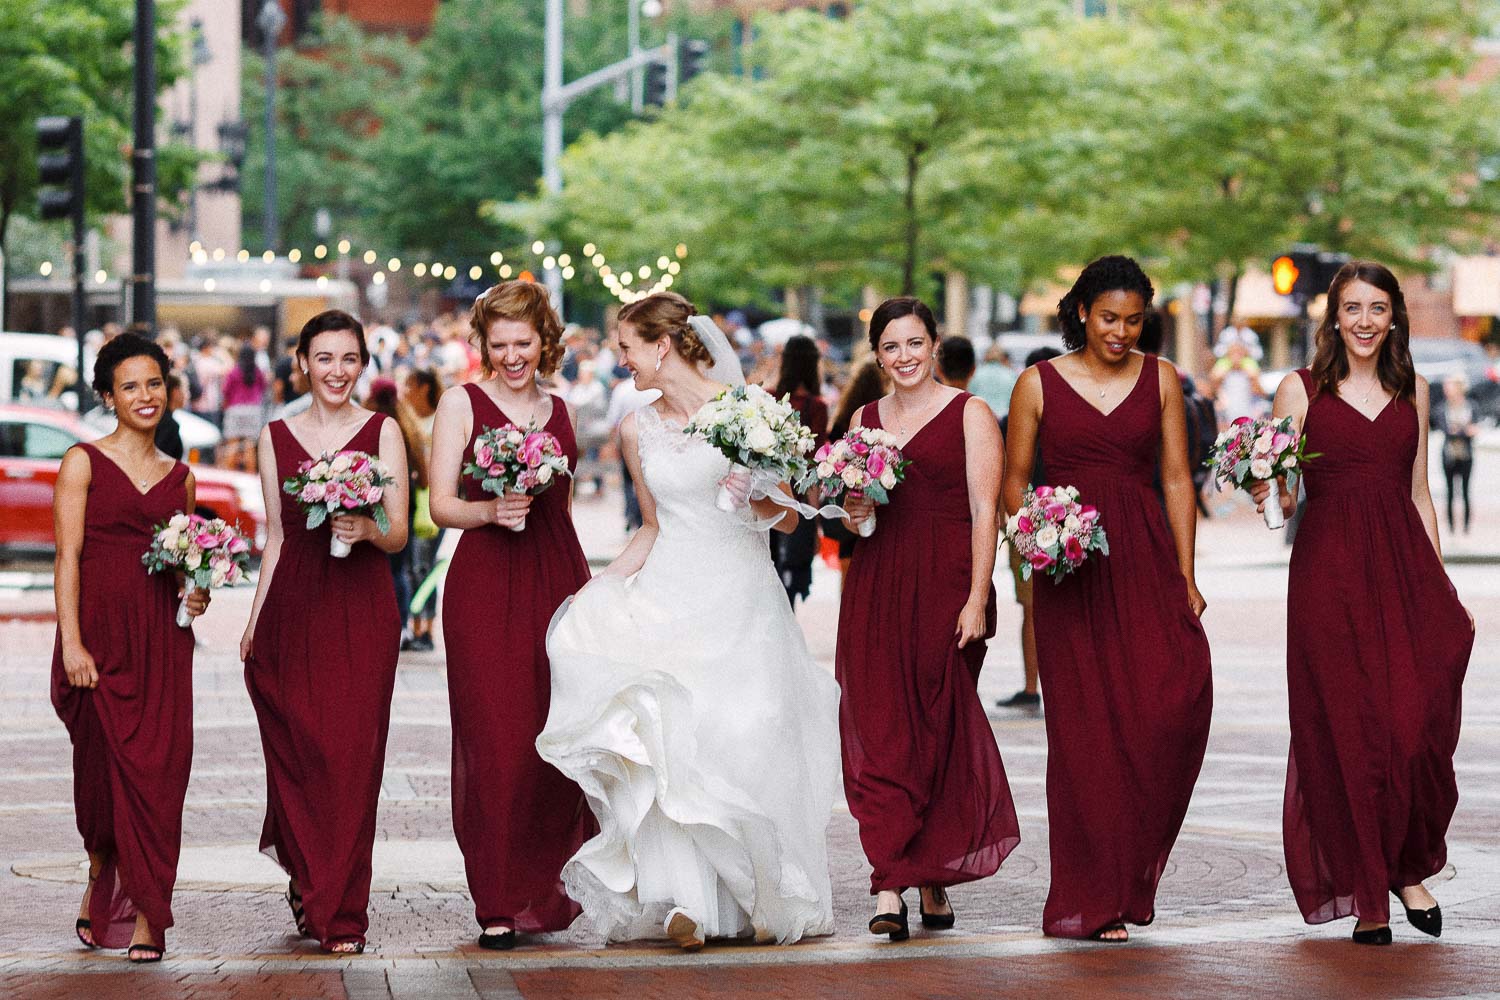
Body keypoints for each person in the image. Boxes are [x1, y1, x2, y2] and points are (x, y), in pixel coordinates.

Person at [537, 292, 840, 950]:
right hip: (672, 591)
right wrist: (597, 587)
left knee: (746, 733)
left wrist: (758, 493)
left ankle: (761, 890)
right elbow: (650, 526)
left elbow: (787, 519)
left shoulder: (750, 413)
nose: (621, 361)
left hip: (741, 595)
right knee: (674, 740)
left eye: (626, 347)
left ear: (662, 346)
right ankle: (686, 901)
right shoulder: (634, 428)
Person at [1252, 261, 1474, 946]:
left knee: (1412, 726)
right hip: (1327, 573)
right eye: (1353, 308)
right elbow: (1283, 494)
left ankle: (1407, 864)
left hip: (1405, 568)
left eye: (1378, 308)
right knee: (1346, 730)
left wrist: (1442, 583)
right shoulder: (1300, 389)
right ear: (1334, 317)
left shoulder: (1418, 389)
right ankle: (1371, 890)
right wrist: (1267, 489)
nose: (1366, 321)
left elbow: (1420, 493)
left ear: (1395, 316)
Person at [1003, 256, 1212, 942]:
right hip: (1070, 576)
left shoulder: (1161, 380)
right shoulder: (1036, 384)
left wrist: (1186, 573)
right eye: (1108, 318)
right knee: (1086, 736)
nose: (1120, 331)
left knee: (1168, 707)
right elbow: (1013, 480)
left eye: (1133, 319)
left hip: (1145, 559)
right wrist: (1038, 534)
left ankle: (1128, 872)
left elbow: (1177, 480)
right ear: (1082, 313)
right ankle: (1094, 897)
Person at [837, 298, 1019, 942]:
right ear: (877, 355)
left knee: (934, 733)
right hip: (879, 583)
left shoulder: (970, 414)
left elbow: (983, 512)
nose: (905, 358)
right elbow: (855, 517)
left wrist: (976, 597)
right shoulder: (863, 418)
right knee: (880, 729)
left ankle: (933, 872)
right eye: (891, 347)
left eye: (915, 344)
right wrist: (853, 509)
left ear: (934, 344)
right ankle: (890, 880)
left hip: (948, 589)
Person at [428, 281, 596, 950]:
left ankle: (541, 886)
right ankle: (496, 898)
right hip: (485, 584)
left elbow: (568, 510)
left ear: (544, 339)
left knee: (549, 745)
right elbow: (441, 503)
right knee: (494, 742)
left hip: (556, 578)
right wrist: (488, 509)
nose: (511, 356)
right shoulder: (458, 404)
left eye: (522, 342)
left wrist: (586, 594)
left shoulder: (564, 409)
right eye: (497, 344)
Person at [239, 310, 409, 954]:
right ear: (302, 363)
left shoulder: (382, 431)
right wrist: (255, 623)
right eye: (324, 358)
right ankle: (311, 878)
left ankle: (342, 912)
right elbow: (278, 537)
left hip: (361, 612)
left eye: (348, 359)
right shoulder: (273, 436)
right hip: (294, 610)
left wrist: (366, 530)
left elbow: (397, 532)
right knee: (300, 755)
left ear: (361, 366)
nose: (336, 371)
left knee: (352, 760)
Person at [52, 334, 210, 962]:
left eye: (154, 384)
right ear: (107, 397)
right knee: (96, 788)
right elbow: (68, 558)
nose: (145, 397)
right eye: (129, 387)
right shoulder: (82, 462)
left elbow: (186, 571)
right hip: (95, 643)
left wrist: (197, 596)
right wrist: (71, 644)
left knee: (160, 779)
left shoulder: (183, 478)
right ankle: (99, 871)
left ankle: (149, 912)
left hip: (162, 648)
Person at [994, 346, 1061, 711]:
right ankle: (1041, 686)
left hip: (1025, 521)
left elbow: (1004, 472)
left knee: (1032, 609)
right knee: (1042, 608)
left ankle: (1032, 686)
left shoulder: (1009, 418)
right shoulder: (1068, 413)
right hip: (1053, 520)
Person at [363, 377, 426, 649]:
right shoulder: (407, 427)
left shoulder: (367, 425)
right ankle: (401, 626)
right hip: (406, 499)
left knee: (375, 568)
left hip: (371, 502)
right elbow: (423, 473)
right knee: (399, 568)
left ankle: (376, 623)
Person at [769, 334, 829, 606]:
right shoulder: (816, 407)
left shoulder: (769, 398)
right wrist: (815, 518)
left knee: (769, 572)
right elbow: (813, 465)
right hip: (799, 498)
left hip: (767, 496)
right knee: (793, 575)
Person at [822, 360, 888, 582]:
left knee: (848, 562)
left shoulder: (844, 418)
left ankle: (847, 607)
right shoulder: (883, 417)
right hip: (876, 499)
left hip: (848, 498)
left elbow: (832, 451)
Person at [402, 368, 443, 651]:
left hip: (432, 506)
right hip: (413, 503)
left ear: (424, 388)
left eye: (409, 386)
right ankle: (415, 627)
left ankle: (426, 630)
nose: (405, 392)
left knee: (423, 567)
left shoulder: (439, 421)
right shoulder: (409, 420)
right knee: (413, 568)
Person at [220, 343, 269, 471]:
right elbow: (264, 388)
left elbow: (225, 391)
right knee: (249, 446)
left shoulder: (234, 371)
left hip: (235, 409)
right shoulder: (258, 371)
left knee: (233, 445)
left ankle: (230, 477)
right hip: (253, 410)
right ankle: (250, 477)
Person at [1439, 374, 1476, 534]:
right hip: (1449, 454)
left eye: (1450, 386)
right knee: (1449, 491)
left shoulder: (1471, 406)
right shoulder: (1442, 408)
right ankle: (1451, 527)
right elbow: (1445, 429)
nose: (1446, 390)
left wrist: (1459, 430)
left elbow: (1474, 428)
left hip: (1466, 454)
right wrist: (1463, 430)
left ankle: (1466, 527)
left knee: (1466, 490)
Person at [968, 344, 1018, 418]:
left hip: (980, 416)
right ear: (1002, 357)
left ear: (985, 356)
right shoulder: (1011, 374)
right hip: (1003, 417)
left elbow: (970, 395)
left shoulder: (975, 374)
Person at [153, 373, 186, 461]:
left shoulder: (156, 418)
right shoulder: (168, 425)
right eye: (184, 390)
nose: (186, 395)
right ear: (175, 392)